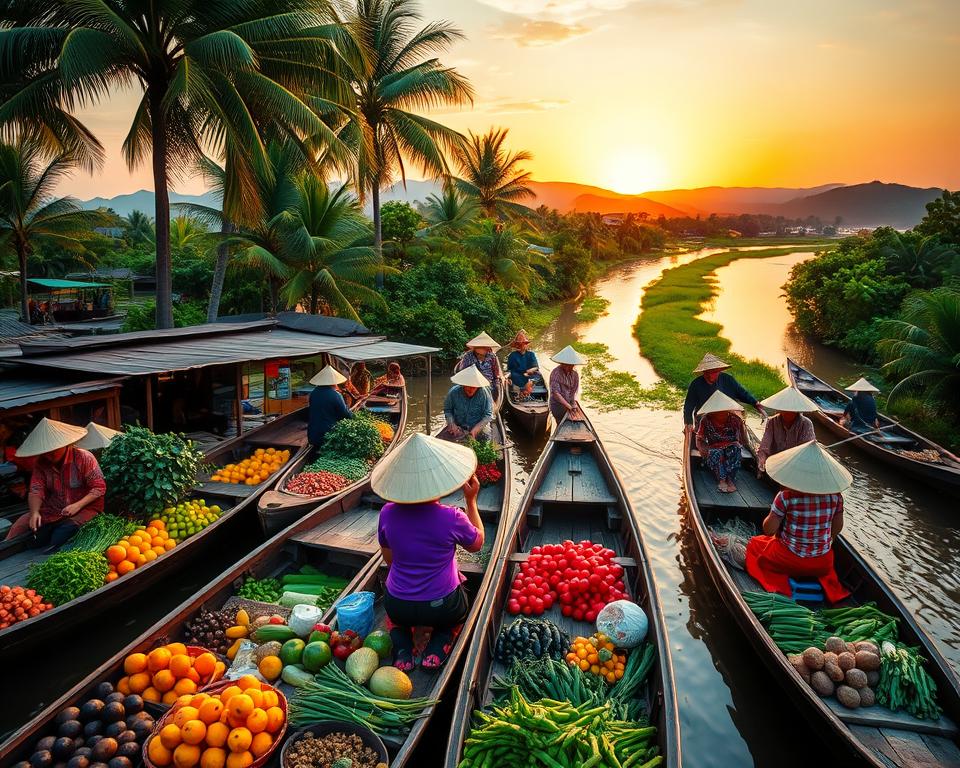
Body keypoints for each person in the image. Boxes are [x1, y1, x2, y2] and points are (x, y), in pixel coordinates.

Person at [372, 432, 483, 671]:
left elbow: (389, 561)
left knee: (396, 619)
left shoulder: (387, 513)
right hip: (442, 605)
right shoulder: (452, 516)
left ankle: (402, 648)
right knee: (460, 611)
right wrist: (471, 501)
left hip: (399, 605)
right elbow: (477, 544)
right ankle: (440, 643)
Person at [745, 440, 852, 603]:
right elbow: (836, 528)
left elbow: (769, 530)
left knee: (755, 544)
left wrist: (774, 513)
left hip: (790, 560)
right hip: (822, 564)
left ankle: (780, 590)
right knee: (824, 556)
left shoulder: (786, 496)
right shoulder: (836, 497)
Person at [7, 418, 106, 546]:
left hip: (85, 509)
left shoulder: (84, 457)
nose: (49, 454)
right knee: (21, 526)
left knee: (60, 536)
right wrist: (34, 512)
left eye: (53, 450)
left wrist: (77, 505)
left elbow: (99, 488)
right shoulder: (41, 463)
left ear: (64, 445)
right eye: (46, 451)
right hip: (53, 510)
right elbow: (36, 490)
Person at [683, 353, 765, 435]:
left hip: (726, 418)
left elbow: (742, 393)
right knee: (701, 437)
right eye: (708, 372)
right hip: (704, 420)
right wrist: (688, 424)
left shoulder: (728, 380)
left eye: (714, 372)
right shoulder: (696, 384)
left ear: (719, 370)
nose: (710, 375)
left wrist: (755, 403)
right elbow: (688, 407)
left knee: (737, 430)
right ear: (704, 372)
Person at [695, 390, 749, 493]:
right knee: (718, 453)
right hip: (714, 447)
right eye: (718, 410)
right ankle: (722, 479)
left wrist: (740, 447)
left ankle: (730, 479)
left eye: (723, 410)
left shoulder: (736, 420)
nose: (720, 412)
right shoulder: (706, 420)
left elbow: (743, 440)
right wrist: (703, 450)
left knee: (735, 450)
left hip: (731, 446)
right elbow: (699, 438)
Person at [756, 386, 818, 475]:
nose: (785, 412)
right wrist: (762, 459)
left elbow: (806, 452)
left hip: (796, 464)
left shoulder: (806, 424)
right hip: (775, 461)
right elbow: (765, 445)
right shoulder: (772, 422)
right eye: (783, 409)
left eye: (789, 410)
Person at [308, 365, 354, 447]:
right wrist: (352, 415)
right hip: (328, 436)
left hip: (312, 435)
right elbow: (345, 415)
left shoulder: (313, 393)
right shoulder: (335, 395)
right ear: (333, 382)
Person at [443, 366, 494, 441]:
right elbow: (448, 410)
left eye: (474, 387)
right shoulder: (453, 392)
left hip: (478, 426)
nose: (471, 390)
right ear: (463, 385)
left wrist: (475, 430)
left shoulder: (484, 394)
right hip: (458, 425)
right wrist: (452, 424)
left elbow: (487, 415)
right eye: (468, 386)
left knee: (485, 439)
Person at [454, 331, 504, 401]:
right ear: (476, 347)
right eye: (484, 347)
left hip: (489, 383)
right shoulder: (468, 356)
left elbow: (496, 374)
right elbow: (463, 373)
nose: (487, 349)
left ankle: (493, 404)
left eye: (487, 347)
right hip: (472, 383)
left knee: (495, 388)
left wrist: (497, 384)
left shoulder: (492, 356)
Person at [549, 345, 587, 425]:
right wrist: (568, 406)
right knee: (561, 423)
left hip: (569, 402)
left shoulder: (575, 375)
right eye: (566, 364)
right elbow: (556, 394)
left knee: (575, 421)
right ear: (562, 363)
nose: (568, 367)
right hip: (557, 405)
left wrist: (573, 405)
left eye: (570, 365)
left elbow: (573, 392)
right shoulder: (556, 373)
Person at [506, 330, 539, 398]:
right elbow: (509, 369)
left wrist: (530, 370)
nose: (524, 345)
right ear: (518, 345)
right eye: (522, 344)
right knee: (514, 375)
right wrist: (507, 378)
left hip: (529, 374)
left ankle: (528, 385)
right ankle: (523, 391)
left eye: (525, 343)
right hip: (518, 375)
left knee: (538, 375)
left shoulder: (531, 354)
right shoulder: (512, 355)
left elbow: (536, 367)